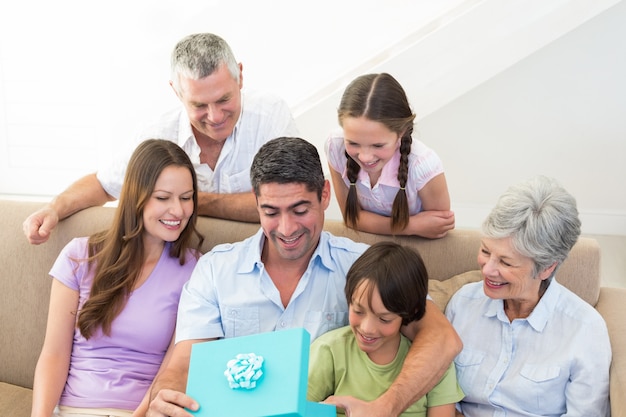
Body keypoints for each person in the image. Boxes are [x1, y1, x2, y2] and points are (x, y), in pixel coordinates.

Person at [146, 137, 462, 417]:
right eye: (271, 212)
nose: (286, 229)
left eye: (300, 210)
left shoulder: (362, 266)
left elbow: (441, 337)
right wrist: (166, 400)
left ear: (324, 194)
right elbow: (184, 364)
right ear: (256, 203)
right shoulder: (215, 270)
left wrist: (386, 407)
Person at [23, 32, 298, 245]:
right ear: (177, 93)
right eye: (199, 105)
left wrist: (193, 200)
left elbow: (287, 200)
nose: (214, 116)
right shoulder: (158, 133)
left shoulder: (270, 115)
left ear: (240, 77)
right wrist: (53, 209)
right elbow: (103, 184)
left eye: (224, 99)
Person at [31, 139, 204, 417]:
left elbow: (174, 367)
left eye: (186, 197)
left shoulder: (196, 269)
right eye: (163, 198)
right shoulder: (79, 256)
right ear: (136, 197)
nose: (178, 210)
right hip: (76, 408)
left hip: (143, 411)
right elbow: (54, 354)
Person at [445, 176, 611, 416]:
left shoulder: (585, 330)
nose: (487, 269)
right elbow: (442, 394)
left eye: (506, 262)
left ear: (546, 268)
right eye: (485, 251)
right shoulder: (463, 304)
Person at [308, 241, 464, 417]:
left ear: (408, 313)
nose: (367, 328)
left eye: (384, 319)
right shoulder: (329, 351)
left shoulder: (435, 365)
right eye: (358, 311)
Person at [326, 72, 454, 238]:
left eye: (378, 145)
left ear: (400, 132)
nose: (365, 157)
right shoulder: (335, 146)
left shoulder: (423, 165)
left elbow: (437, 229)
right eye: (354, 143)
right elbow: (351, 218)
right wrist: (411, 226)